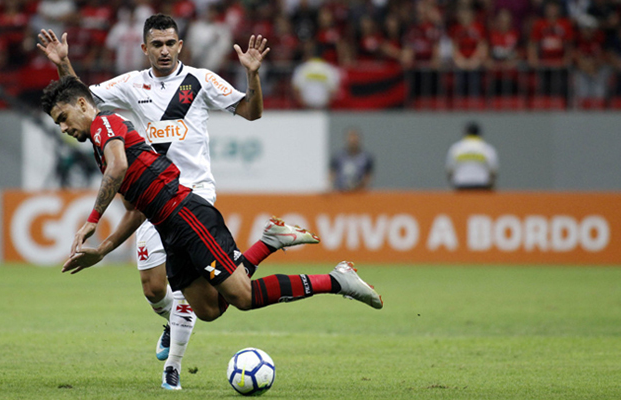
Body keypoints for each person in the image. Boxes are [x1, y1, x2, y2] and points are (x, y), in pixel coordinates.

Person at [41, 75, 382, 391]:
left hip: (187, 216)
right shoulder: (103, 149)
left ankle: (338, 280)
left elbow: (118, 168)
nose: (63, 127)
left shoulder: (106, 124)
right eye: (58, 122)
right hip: (168, 228)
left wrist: (92, 219)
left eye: (63, 117)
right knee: (208, 309)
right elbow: (136, 209)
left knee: (243, 298)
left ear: (83, 104)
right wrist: (102, 250)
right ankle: (268, 242)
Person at [37, 14, 319, 390]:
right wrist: (62, 65)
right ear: (144, 49)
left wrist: (252, 74)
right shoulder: (132, 84)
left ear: (180, 45)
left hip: (193, 192)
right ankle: (257, 253)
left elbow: (252, 112)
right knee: (155, 288)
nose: (165, 50)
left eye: (171, 43)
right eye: (157, 44)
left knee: (226, 293)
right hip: (151, 198)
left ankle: (173, 368)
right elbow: (82, 101)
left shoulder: (201, 81)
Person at [445, 122, 499, 190]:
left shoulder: (456, 148)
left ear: (465, 132)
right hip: (482, 185)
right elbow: (493, 171)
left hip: (461, 185)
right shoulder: (487, 149)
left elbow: (450, 171)